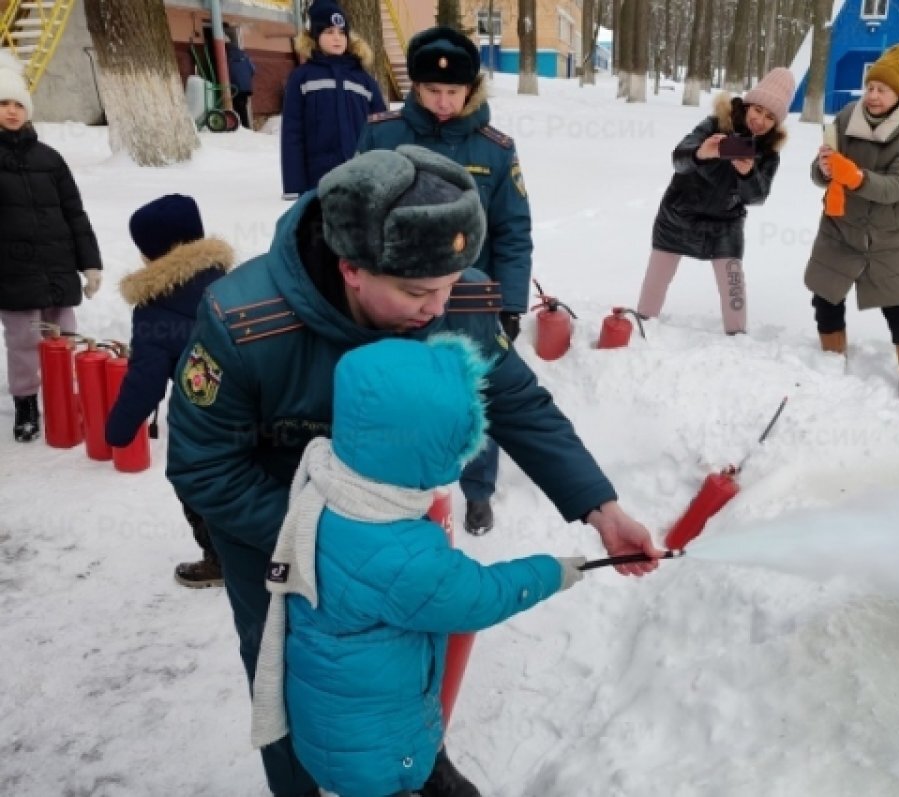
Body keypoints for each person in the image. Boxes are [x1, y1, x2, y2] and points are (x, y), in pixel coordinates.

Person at [166, 146, 659, 797]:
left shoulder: (450, 289)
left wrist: (601, 507)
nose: (439, 307)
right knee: (292, 671)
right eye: (417, 292)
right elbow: (203, 465)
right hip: (277, 535)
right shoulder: (245, 321)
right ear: (351, 268)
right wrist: (321, 538)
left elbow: (516, 401)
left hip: (396, 523)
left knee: (404, 646)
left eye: (450, 284)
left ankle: (416, 759)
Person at [249, 335, 587, 797]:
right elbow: (480, 597)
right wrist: (554, 571)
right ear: (431, 449)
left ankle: (427, 770)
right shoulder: (402, 555)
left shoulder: (330, 480)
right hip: (375, 752)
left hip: (333, 720)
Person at [358, 26, 531, 536]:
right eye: (432, 90)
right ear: (415, 86)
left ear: (470, 89)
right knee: (399, 393)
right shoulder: (382, 134)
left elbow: (513, 230)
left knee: (474, 394)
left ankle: (478, 490)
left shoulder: (495, 149)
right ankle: (402, 491)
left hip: (469, 297)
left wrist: (510, 303)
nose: (442, 101)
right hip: (395, 294)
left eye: (452, 91)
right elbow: (353, 211)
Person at [105, 194, 232, 588]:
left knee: (192, 479)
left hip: (204, 418)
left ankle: (221, 560)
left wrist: (117, 430)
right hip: (259, 405)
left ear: (150, 253)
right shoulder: (234, 283)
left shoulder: (154, 307)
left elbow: (145, 381)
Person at [804, 43, 899, 394]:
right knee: (826, 296)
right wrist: (825, 169)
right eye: (870, 87)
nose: (873, 96)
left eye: (882, 90)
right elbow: (819, 173)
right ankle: (832, 361)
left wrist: (856, 177)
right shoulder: (847, 116)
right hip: (840, 226)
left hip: (887, 234)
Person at [636, 67, 795, 335]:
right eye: (758, 110)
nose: (760, 120)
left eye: (770, 117)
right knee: (654, 285)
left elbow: (758, 197)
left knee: (734, 290)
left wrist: (747, 174)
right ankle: (640, 329)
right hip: (678, 215)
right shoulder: (715, 124)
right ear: (747, 106)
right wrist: (701, 153)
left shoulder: (768, 153)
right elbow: (678, 159)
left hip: (725, 225)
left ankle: (737, 340)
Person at [0, 52, 102, 442]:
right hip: (13, 271)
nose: (11, 111)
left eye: (17, 104)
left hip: (58, 265)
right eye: (3, 104)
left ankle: (63, 396)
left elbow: (74, 212)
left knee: (63, 335)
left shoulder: (50, 159)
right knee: (24, 341)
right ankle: (26, 402)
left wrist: (90, 263)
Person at [280, 0, 385, 199]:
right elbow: (292, 132)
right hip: (318, 179)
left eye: (342, 32)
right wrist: (294, 185)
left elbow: (381, 129)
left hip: (361, 175)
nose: (337, 38)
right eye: (329, 32)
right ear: (314, 36)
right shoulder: (302, 77)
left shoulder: (364, 80)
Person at [223, 26, 256, 130]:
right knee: (242, 107)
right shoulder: (244, 55)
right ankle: (245, 127)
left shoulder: (226, 56)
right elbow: (253, 69)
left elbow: (226, 72)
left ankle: (242, 128)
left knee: (237, 109)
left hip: (235, 87)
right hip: (246, 87)